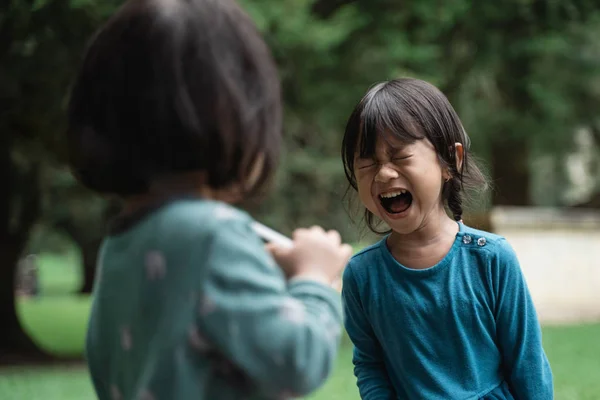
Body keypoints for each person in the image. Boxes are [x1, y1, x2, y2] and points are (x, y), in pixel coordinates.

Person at [66, 1, 352, 399]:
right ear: (237, 115)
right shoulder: (214, 235)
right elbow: (297, 360)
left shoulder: (122, 243)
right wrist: (315, 280)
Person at [340, 78, 553, 399]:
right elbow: (370, 364)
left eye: (399, 156)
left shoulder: (492, 259)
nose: (383, 174)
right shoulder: (362, 275)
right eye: (368, 162)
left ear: (451, 161)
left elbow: (527, 363)